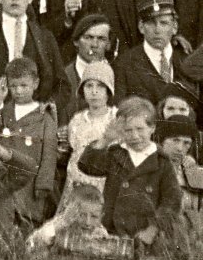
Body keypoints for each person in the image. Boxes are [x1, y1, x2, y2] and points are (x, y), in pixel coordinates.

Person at [78, 96, 182, 244]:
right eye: (128, 130)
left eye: (140, 129)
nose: (135, 136)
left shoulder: (161, 162)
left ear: (152, 128)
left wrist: (152, 230)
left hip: (145, 236)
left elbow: (171, 202)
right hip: (111, 233)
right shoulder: (116, 154)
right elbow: (86, 166)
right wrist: (105, 140)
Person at [0, 58, 58, 228]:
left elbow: (49, 154)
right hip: (3, 180)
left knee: (25, 225)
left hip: (29, 184)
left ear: (35, 83)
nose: (18, 91)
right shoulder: (3, 111)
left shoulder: (44, 116)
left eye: (24, 86)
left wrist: (43, 186)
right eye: (13, 86)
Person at [113, 0, 196, 105]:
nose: (157, 30)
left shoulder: (186, 58)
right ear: (141, 27)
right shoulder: (125, 63)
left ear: (174, 27)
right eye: (151, 23)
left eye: (164, 23)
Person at [58, 61, 117, 210]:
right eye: (89, 86)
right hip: (76, 184)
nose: (94, 91)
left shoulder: (114, 119)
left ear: (108, 90)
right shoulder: (77, 120)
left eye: (100, 86)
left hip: (101, 185)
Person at [26, 183, 110, 250]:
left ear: (101, 216)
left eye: (94, 217)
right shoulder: (61, 224)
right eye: (81, 215)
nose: (87, 222)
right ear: (70, 212)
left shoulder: (100, 233)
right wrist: (61, 224)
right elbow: (32, 243)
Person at [62, 14, 113, 119]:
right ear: (76, 41)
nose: (94, 44)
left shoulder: (119, 73)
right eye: (88, 37)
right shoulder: (63, 77)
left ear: (108, 44)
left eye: (101, 38)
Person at [154, 117, 203, 227]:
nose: (180, 148)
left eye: (186, 143)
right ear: (161, 141)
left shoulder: (195, 174)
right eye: (175, 140)